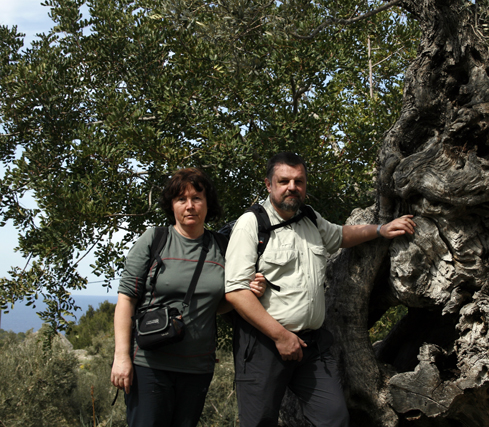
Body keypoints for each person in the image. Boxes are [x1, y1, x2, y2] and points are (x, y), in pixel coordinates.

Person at [225, 152, 416, 427]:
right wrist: (281, 336)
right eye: (284, 181)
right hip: (263, 344)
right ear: (269, 185)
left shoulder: (310, 218)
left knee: (333, 418)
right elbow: (235, 291)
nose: (292, 187)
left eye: (299, 181)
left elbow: (340, 235)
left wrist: (381, 229)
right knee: (259, 422)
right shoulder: (251, 224)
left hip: (311, 345)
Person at [110, 168, 266, 427]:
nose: (190, 206)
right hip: (149, 364)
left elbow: (217, 304)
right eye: (181, 199)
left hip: (197, 368)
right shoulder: (155, 239)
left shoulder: (222, 246)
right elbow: (126, 299)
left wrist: (247, 290)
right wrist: (121, 357)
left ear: (208, 204)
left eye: (197, 198)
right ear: (171, 205)